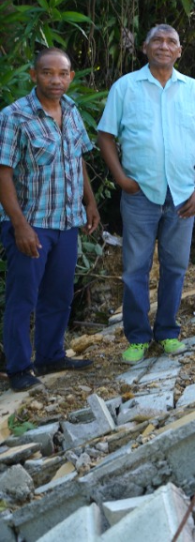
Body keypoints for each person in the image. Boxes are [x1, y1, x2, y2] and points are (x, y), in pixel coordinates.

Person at [97, 25, 195, 364]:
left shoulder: (193, 90)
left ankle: (167, 332)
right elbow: (105, 136)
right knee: (136, 267)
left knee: (176, 266)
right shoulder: (126, 88)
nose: (164, 47)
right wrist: (121, 178)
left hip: (183, 193)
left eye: (171, 42)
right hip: (140, 194)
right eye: (158, 41)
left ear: (179, 51)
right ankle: (137, 337)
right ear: (145, 48)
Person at [0, 48, 99, 391]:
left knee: (58, 294)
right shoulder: (14, 116)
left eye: (62, 74)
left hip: (66, 219)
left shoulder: (70, 111)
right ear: (33, 75)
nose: (55, 80)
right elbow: (4, 173)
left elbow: (78, 159)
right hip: (32, 222)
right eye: (47, 73)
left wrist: (89, 200)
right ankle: (18, 368)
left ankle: (50, 355)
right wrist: (19, 224)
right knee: (23, 296)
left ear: (70, 76)